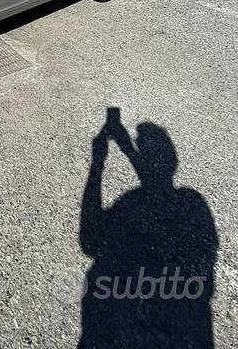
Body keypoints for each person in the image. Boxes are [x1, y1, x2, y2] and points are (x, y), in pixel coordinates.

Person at [78, 112, 218, 349]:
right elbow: (156, 189)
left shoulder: (135, 204)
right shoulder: (192, 202)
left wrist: (98, 163)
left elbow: (89, 241)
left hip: (116, 326)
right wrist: (129, 151)